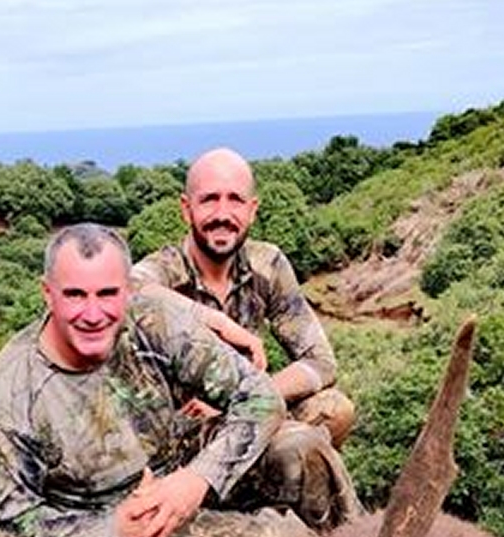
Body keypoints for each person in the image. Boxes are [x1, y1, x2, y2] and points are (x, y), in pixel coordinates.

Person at [0, 223, 361, 537]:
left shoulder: (153, 317)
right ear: (48, 293)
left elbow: (259, 395)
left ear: (128, 290)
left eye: (108, 294)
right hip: (128, 513)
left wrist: (197, 479)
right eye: (75, 295)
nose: (93, 314)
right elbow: (13, 516)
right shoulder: (13, 386)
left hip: (178, 460)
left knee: (303, 447)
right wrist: (111, 528)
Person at [131, 147, 355, 447]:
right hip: (183, 435)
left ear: (252, 209)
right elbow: (124, 289)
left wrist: (247, 394)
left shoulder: (268, 265)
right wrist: (214, 320)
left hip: (246, 413)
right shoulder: (166, 270)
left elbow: (321, 362)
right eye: (209, 199)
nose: (222, 214)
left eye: (235, 199)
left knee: (334, 409)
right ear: (186, 209)